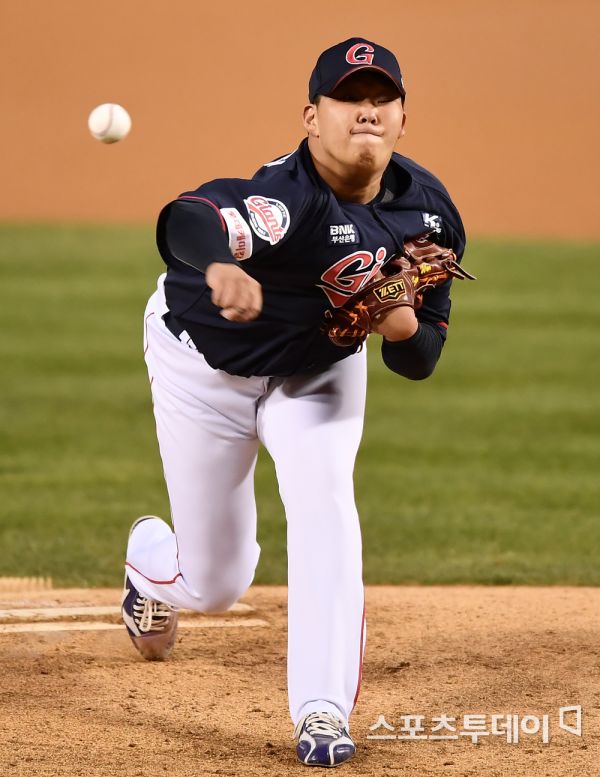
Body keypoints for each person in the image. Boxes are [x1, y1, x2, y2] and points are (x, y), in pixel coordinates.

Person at [121, 37, 466, 768]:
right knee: (216, 582)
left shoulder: (429, 216)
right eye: (349, 99)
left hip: (316, 373)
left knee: (325, 500)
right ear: (312, 118)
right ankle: (151, 563)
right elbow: (187, 218)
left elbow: (420, 359)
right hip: (203, 366)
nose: (367, 112)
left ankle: (322, 707)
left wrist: (402, 324)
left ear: (403, 119)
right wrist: (220, 263)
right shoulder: (286, 199)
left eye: (382, 100)